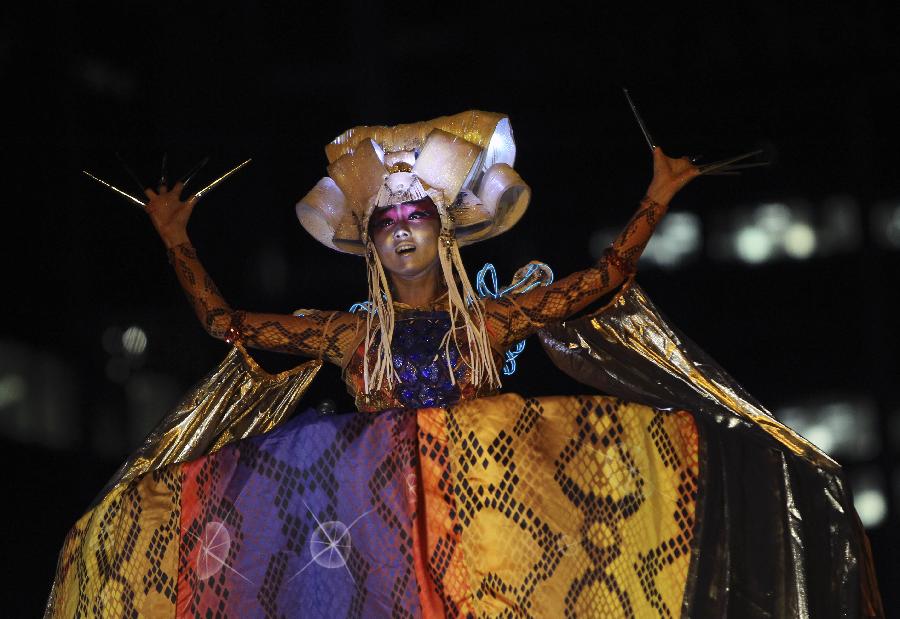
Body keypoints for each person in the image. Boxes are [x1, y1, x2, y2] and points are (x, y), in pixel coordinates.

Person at [46, 111, 882, 618]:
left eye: (416, 213)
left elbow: (602, 280)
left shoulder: (490, 318)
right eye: (385, 220)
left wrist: (656, 198)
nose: (402, 228)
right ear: (369, 242)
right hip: (370, 532)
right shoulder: (348, 336)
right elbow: (224, 323)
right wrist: (175, 236)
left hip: (484, 523)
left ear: (444, 229)